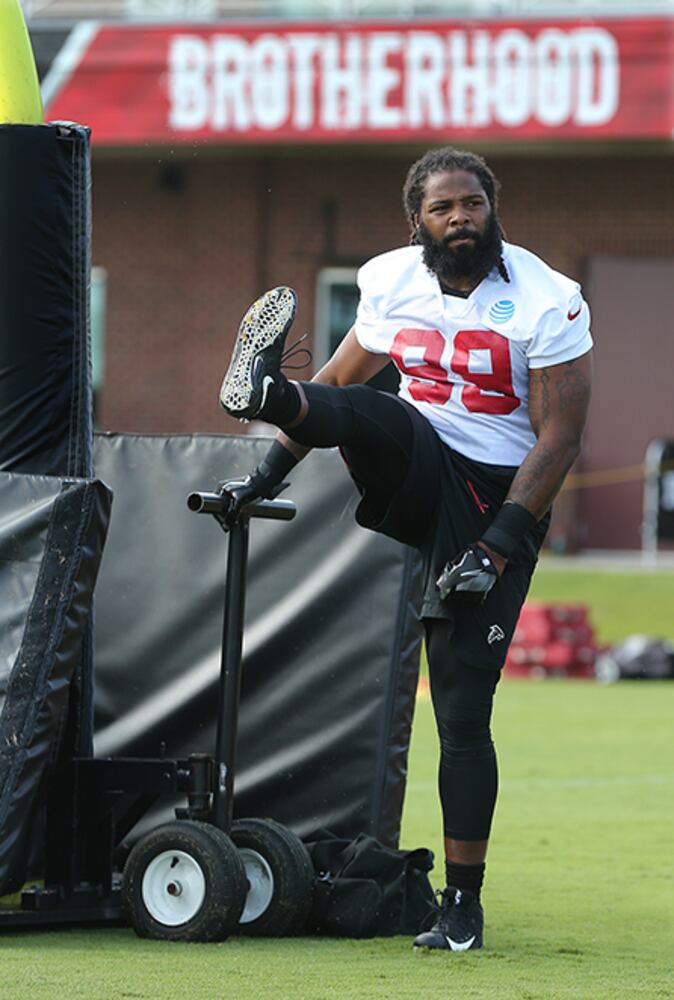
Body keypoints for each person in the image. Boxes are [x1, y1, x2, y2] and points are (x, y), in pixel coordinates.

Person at [218, 147, 593, 952]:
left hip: (497, 499)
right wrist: (265, 468)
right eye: (442, 208)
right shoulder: (391, 278)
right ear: (415, 221)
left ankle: (462, 905)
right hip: (420, 464)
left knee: (461, 712)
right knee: (372, 406)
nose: (460, 218)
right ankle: (260, 389)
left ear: (494, 208)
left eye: (472, 205)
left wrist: (499, 544)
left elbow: (561, 435)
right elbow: (344, 380)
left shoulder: (548, 298)